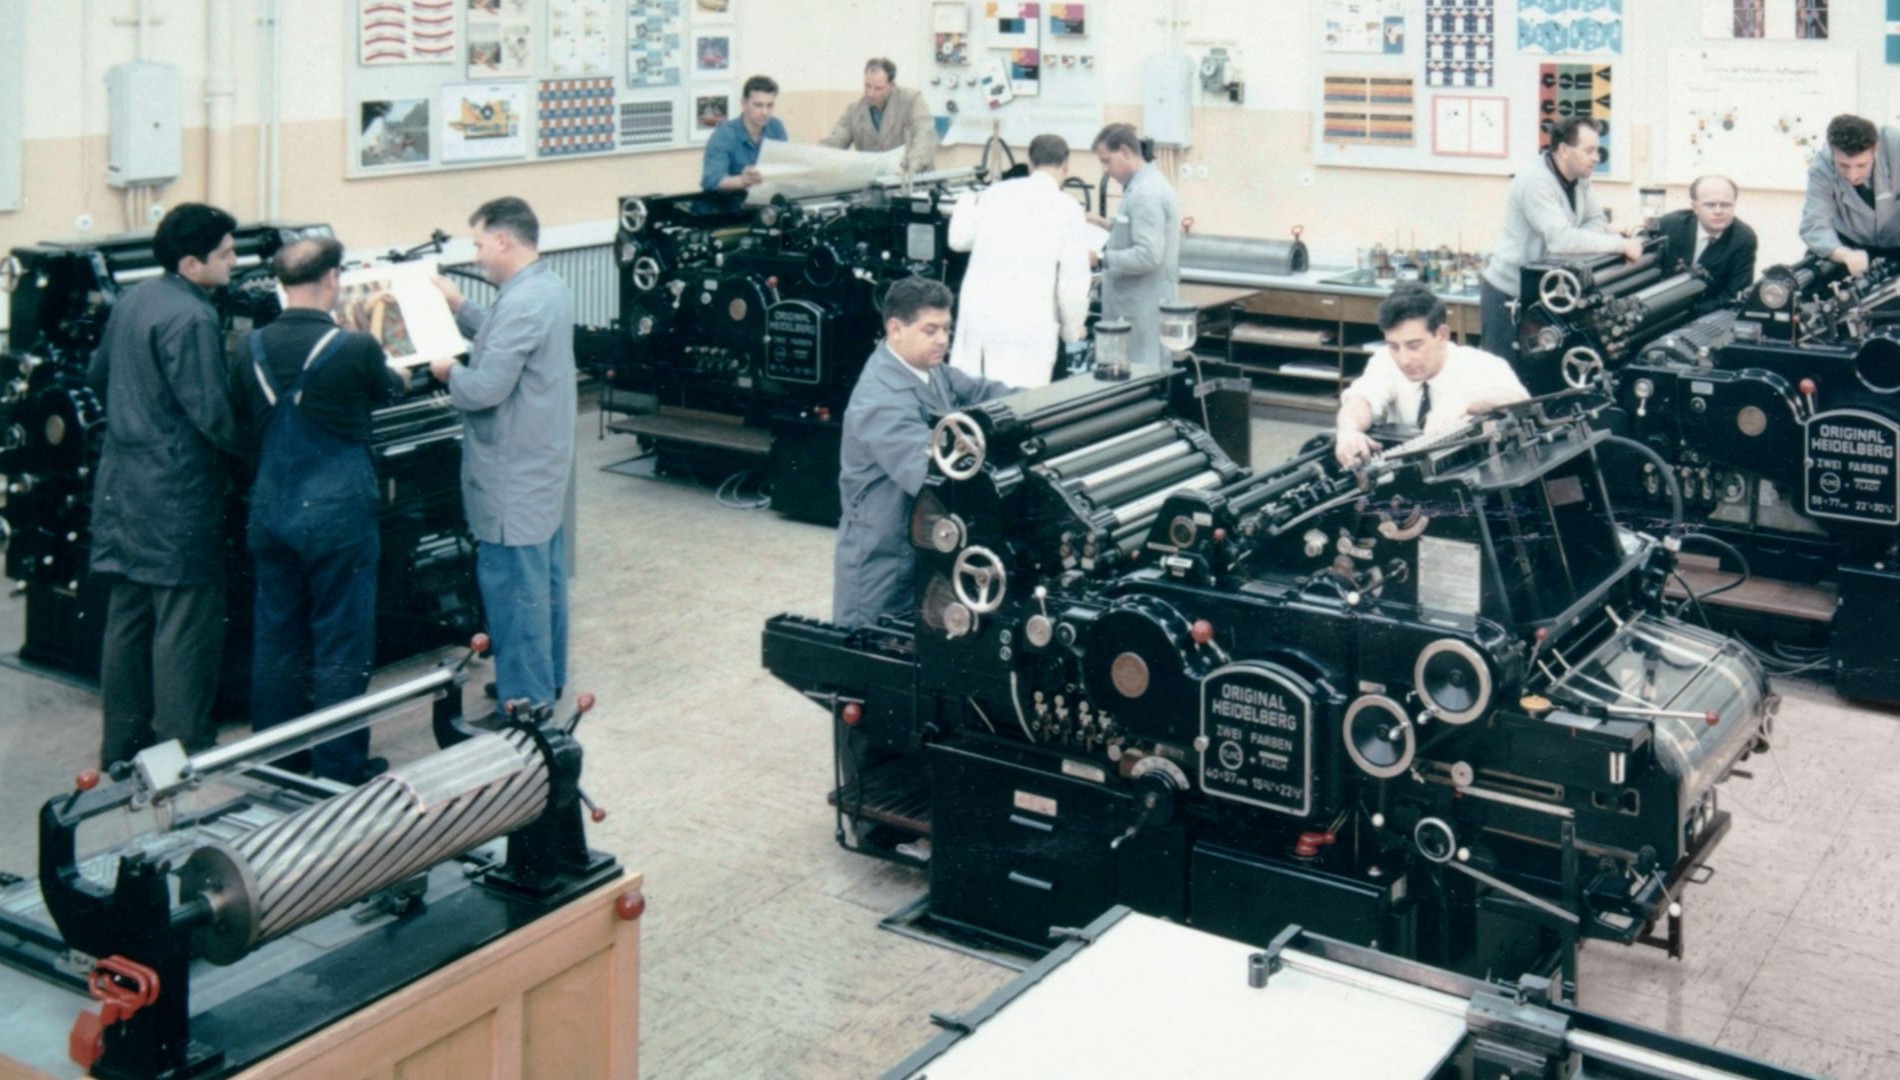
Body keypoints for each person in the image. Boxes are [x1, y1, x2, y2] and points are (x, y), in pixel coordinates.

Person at [239, 237, 403, 782]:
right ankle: (340, 768)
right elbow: (389, 389)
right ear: (332, 279)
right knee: (340, 641)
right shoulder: (354, 347)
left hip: (271, 509)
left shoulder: (248, 347)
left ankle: (278, 763)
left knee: (277, 640)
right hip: (337, 515)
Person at [88, 202, 245, 768]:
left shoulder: (135, 299)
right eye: (226, 254)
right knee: (184, 618)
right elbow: (212, 413)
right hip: (176, 489)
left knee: (128, 616)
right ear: (191, 263)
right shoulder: (194, 318)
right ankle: (184, 748)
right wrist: (256, 450)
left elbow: (97, 375)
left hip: (123, 483)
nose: (235, 262)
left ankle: (119, 748)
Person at [431, 198, 575, 715]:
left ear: (502, 241)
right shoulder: (545, 287)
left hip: (512, 473)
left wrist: (446, 372)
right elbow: (503, 333)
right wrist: (458, 307)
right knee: (543, 584)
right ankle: (545, 681)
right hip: (542, 464)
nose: (475, 256)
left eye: (477, 244)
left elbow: (485, 387)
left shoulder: (522, 302)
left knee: (516, 594)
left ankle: (525, 703)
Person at [832, 277, 1012, 629]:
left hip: (916, 546)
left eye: (947, 328)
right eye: (931, 330)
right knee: (869, 658)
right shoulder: (880, 397)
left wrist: (1046, 402)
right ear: (896, 329)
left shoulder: (931, 372)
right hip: (881, 560)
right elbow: (932, 475)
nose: (943, 339)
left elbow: (984, 393)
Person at [1479, 117, 1639, 370]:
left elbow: (1596, 219)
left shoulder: (1579, 177)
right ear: (1564, 150)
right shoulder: (1535, 182)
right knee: (1504, 381)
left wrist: (1581, 236)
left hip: (1543, 295)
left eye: (1597, 149)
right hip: (1509, 297)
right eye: (1589, 150)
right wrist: (1619, 245)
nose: (1596, 157)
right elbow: (1561, 241)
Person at [946, 133, 1091, 388]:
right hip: (1026, 324)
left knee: (973, 401)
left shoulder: (996, 192)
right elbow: (1074, 283)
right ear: (1066, 165)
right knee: (1020, 406)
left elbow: (958, 241)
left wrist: (966, 200)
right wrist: (1072, 330)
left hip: (981, 316)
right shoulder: (1069, 208)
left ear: (1031, 162)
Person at [1335, 284, 1528, 468]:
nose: (1403, 359)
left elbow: (1519, 401)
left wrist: (1465, 402)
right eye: (1394, 346)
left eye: (1414, 345)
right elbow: (1360, 399)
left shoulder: (1481, 364)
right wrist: (1348, 431)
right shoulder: (1385, 359)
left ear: (1442, 335)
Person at [1090, 122, 1181, 371]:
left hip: (1141, 312)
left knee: (1140, 379)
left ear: (1125, 152)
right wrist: (1103, 224)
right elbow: (1137, 234)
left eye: (1107, 161)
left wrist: (1100, 259)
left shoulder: (1145, 194)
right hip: (1139, 309)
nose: (1106, 171)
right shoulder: (1145, 186)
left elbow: (1148, 255)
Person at [1800, 113, 1900, 277]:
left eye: (1861, 165)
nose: (1852, 176)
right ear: (1832, 151)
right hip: (1848, 247)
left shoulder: (1896, 146)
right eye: (1844, 165)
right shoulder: (1821, 166)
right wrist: (1844, 254)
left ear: (1876, 149)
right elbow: (1815, 224)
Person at [1657, 175, 1757, 313]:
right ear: (1695, 207)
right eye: (1710, 205)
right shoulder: (1669, 225)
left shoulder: (1743, 239)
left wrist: (1688, 312)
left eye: (1725, 205)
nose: (1718, 211)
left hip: (1705, 315)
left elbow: (1734, 295)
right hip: (1658, 308)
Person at [819, 58, 937, 174]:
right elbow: (833, 144)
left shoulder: (912, 100)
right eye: (867, 86)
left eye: (878, 88)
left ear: (892, 85)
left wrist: (911, 168)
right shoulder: (854, 111)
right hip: (877, 185)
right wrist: (814, 160)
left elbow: (925, 137)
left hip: (913, 181)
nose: (871, 93)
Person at [701, 74, 787, 194]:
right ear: (744, 103)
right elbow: (711, 180)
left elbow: (784, 167)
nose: (765, 112)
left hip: (768, 202)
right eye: (758, 105)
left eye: (770, 105)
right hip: (732, 206)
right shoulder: (723, 134)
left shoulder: (776, 127)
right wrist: (742, 181)